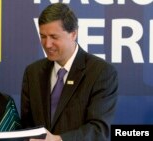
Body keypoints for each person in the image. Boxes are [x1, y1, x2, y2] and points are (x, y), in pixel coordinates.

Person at [21, 3, 118, 141]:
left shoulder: (101, 72)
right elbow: (26, 126)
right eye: (43, 36)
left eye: (54, 37)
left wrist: (58, 139)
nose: (47, 44)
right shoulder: (33, 73)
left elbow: (98, 130)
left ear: (73, 34)